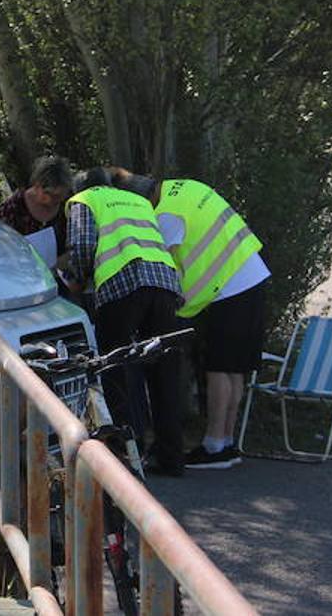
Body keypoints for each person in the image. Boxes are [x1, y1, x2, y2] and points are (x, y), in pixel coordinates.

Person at [114, 169, 269, 470]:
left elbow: (163, 265)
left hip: (229, 286)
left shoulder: (165, 217)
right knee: (234, 370)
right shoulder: (182, 188)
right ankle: (226, 442)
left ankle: (213, 446)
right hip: (249, 271)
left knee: (219, 368)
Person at [67, 167, 186, 476]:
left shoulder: (84, 199)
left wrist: (76, 280)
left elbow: (81, 247)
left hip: (122, 283)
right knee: (163, 372)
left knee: (115, 368)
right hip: (163, 282)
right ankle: (171, 457)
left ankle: (125, 458)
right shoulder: (138, 201)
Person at [0, 155, 73, 271]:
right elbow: (2, 251)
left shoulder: (67, 204)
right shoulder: (11, 209)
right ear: (37, 185)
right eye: (51, 195)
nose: (55, 200)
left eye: (60, 196)